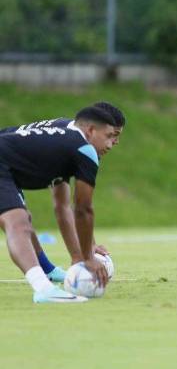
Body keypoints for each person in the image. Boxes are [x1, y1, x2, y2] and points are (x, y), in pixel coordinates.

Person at [0, 103, 124, 303]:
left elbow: (62, 206)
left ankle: (47, 271)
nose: (112, 144)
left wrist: (81, 256)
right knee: (18, 222)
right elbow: (83, 209)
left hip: (6, 165)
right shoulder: (84, 149)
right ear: (91, 130)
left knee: (23, 220)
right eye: (110, 136)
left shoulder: (64, 137)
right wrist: (88, 259)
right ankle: (43, 289)